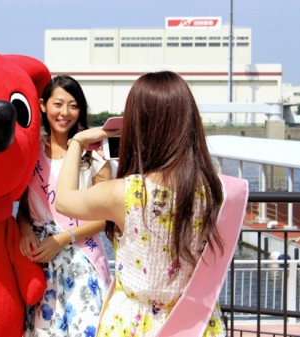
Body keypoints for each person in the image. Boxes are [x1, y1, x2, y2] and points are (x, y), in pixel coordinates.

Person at [55, 71, 247, 337]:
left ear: (137, 126)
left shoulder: (127, 193)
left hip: (133, 324)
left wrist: (77, 141)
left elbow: (63, 201)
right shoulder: (220, 190)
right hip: (198, 323)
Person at [18, 75, 113, 337]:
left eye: (73, 105)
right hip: (39, 258)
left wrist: (62, 239)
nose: (65, 113)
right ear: (42, 105)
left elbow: (105, 218)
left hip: (82, 257)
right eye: (58, 104)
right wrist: (25, 231)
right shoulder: (30, 152)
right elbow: (24, 207)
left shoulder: (94, 156)